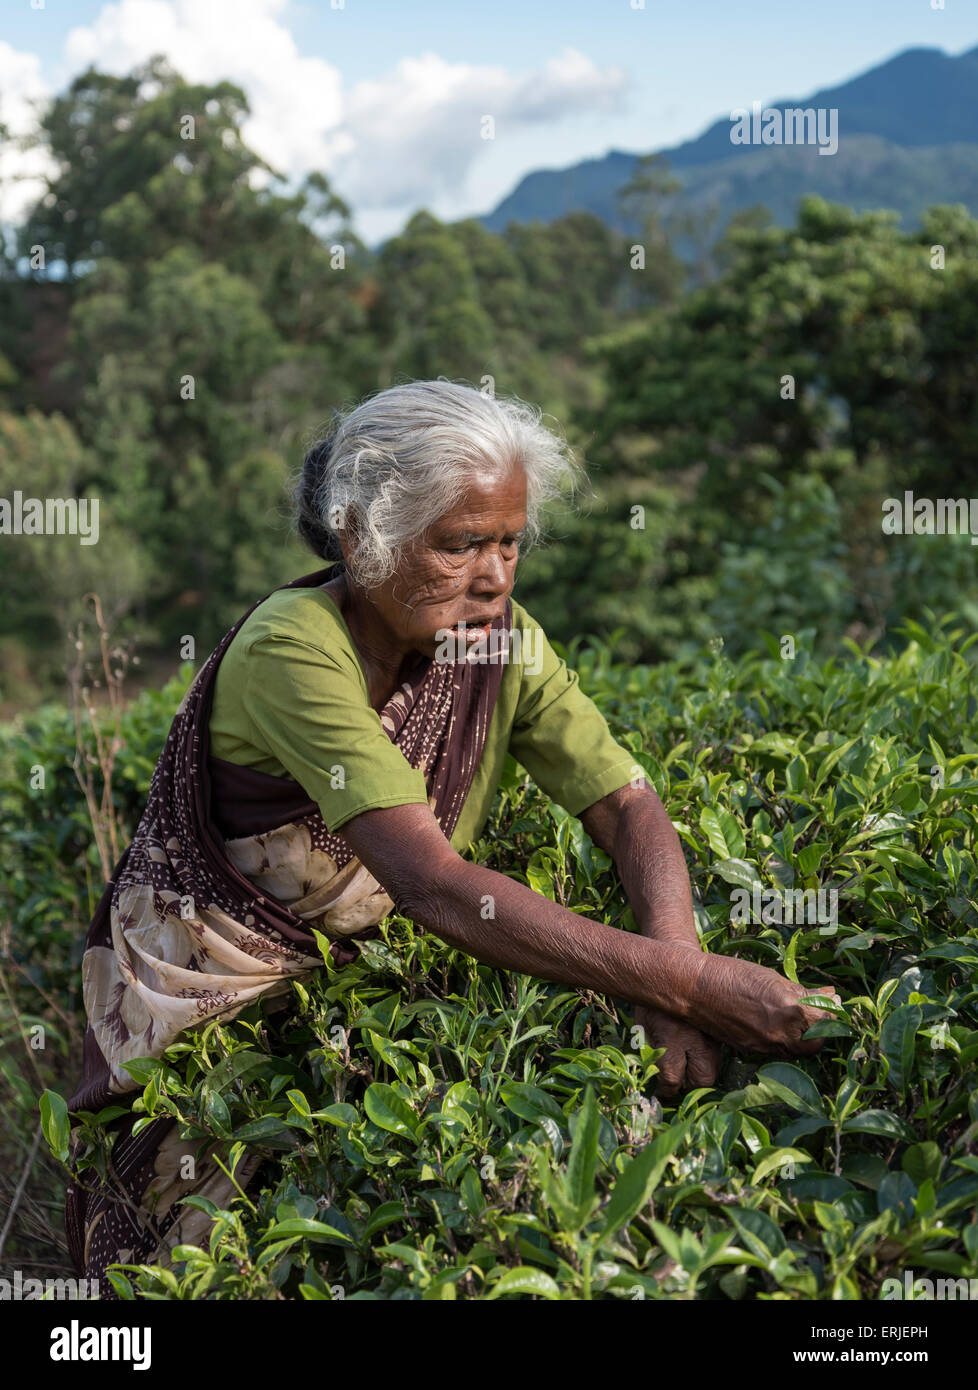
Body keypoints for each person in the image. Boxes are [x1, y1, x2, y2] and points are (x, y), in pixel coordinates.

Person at [65, 379, 835, 1291]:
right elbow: (429, 882)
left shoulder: (493, 642)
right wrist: (704, 984)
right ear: (361, 535)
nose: (497, 575)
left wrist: (674, 976)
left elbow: (625, 802)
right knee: (206, 1267)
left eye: (509, 542)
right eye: (460, 543)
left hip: (372, 1012)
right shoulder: (294, 648)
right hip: (210, 1021)